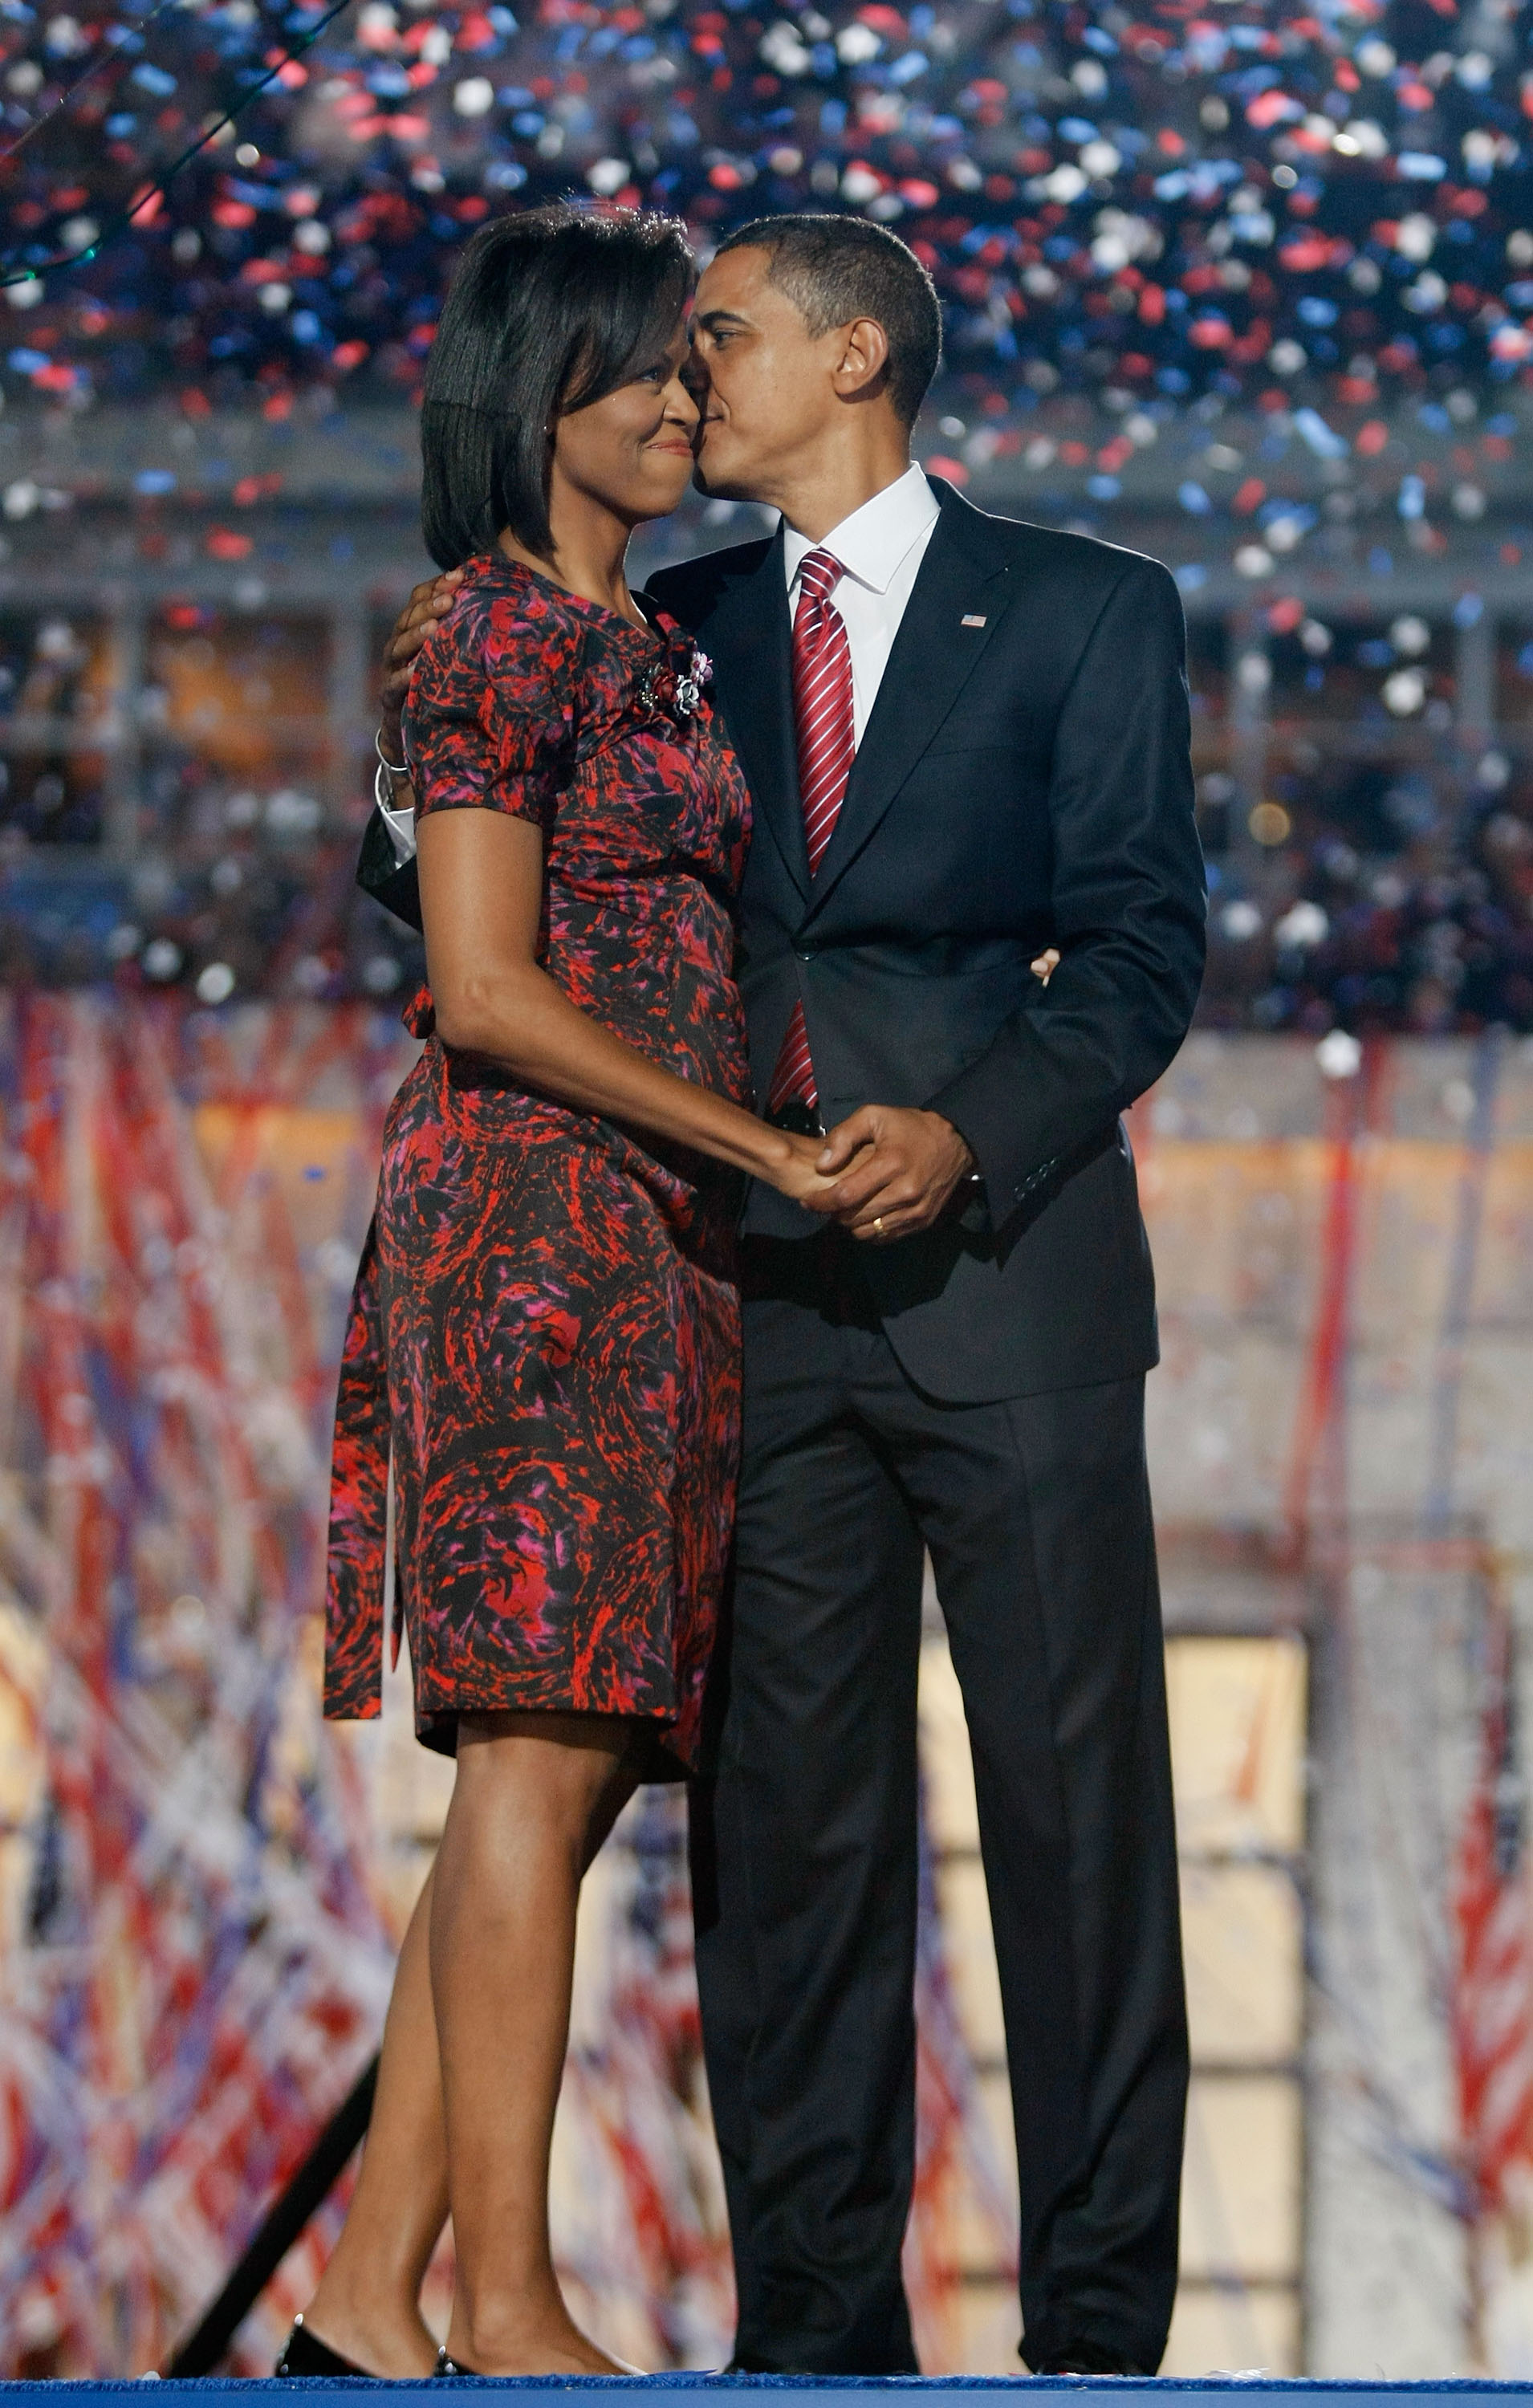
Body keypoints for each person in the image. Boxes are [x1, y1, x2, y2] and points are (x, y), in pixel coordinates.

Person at [365, 212, 1204, 2378]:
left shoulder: (1093, 613)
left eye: (719, 334)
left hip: (1008, 1278)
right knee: (787, 1851)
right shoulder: (672, 626)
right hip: (746, 1301)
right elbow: (509, 868)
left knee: (1076, 1821)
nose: (684, 370)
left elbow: (1135, 951)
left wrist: (976, 1125)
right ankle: (817, 2345)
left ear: (852, 355)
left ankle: (1102, 2339)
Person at [284, 202, 842, 2385]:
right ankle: (503, 2303)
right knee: (531, 1754)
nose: (695, 399)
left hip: (651, 1234)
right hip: (541, 1220)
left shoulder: (646, 648)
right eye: (660, 365)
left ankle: (359, 2302)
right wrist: (767, 1152)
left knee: (571, 1760)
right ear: (548, 390)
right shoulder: (487, 642)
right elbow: (490, 994)